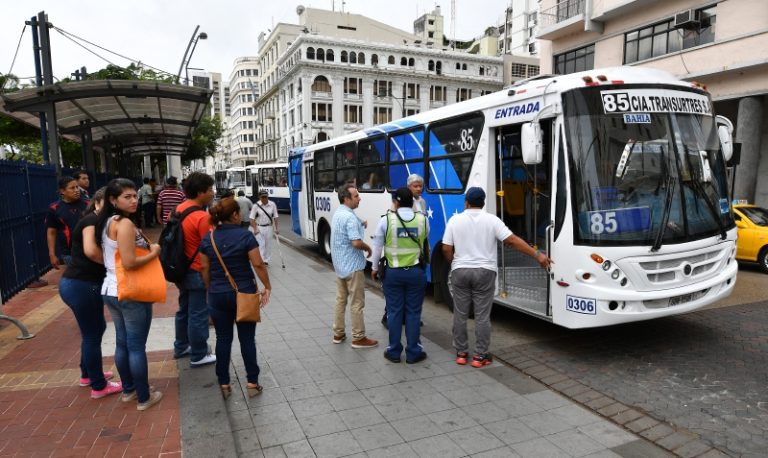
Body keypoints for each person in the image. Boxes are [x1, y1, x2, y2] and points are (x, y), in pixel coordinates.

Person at [442, 187, 552, 368]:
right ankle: (480, 356)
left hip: (460, 271)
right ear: (483, 203)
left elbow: (446, 248)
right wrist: (537, 254)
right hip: (485, 272)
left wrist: (454, 263)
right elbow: (512, 240)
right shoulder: (492, 220)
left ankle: (461, 353)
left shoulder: (455, 220)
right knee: (482, 316)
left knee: (460, 314)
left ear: (466, 203)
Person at [97, 178, 163, 411]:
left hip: (111, 290)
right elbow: (130, 262)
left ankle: (129, 390)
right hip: (129, 291)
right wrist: (154, 251)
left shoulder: (107, 222)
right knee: (135, 346)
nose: (134, 200)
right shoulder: (123, 224)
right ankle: (144, 397)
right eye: (127, 196)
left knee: (123, 343)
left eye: (135, 195)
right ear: (113, 200)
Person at [199, 197, 272, 400]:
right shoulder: (245, 236)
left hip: (217, 295)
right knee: (247, 338)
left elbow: (204, 267)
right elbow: (258, 264)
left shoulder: (208, 238)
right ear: (234, 215)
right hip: (245, 293)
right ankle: (252, 382)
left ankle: (224, 383)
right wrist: (267, 286)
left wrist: (209, 287)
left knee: (223, 339)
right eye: (238, 212)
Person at [58, 187, 122, 399]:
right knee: (93, 334)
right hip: (83, 285)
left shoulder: (95, 219)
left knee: (93, 331)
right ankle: (98, 385)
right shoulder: (92, 221)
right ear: (98, 202)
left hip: (76, 284)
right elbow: (91, 251)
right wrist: (115, 266)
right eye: (109, 203)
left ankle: (88, 374)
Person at [371, 188, 428, 364]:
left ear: (395, 202)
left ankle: (394, 351)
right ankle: (413, 352)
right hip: (416, 272)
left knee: (394, 312)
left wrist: (374, 268)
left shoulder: (385, 221)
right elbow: (424, 242)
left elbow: (377, 247)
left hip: (393, 274)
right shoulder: (423, 220)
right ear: (412, 202)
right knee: (413, 313)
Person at [172, 172, 217, 367]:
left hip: (180, 268)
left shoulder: (178, 209)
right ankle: (199, 353)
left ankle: (181, 345)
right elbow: (211, 247)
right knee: (198, 313)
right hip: (197, 270)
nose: (213, 193)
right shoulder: (201, 216)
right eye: (209, 190)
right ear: (200, 192)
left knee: (184, 309)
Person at [330, 184, 378, 348]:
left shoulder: (339, 213)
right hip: (352, 265)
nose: (360, 198)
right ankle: (358, 337)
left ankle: (338, 333)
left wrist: (362, 223)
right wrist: (368, 248)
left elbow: (354, 221)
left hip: (340, 265)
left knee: (340, 300)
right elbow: (356, 242)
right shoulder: (349, 217)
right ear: (346, 198)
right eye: (356, 196)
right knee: (357, 303)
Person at [46, 176, 88, 269]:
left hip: (90, 249)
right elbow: (51, 232)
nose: (76, 190)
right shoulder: (54, 208)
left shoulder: (88, 204)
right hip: (69, 254)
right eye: (72, 188)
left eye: (77, 187)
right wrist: (52, 254)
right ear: (62, 191)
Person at [249, 190, 278, 265]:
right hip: (259, 227)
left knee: (268, 244)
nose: (265, 198)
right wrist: (255, 229)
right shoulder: (256, 205)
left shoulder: (272, 204)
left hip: (269, 227)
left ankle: (266, 260)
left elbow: (276, 217)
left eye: (266, 197)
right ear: (260, 197)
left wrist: (276, 229)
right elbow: (252, 218)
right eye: (263, 197)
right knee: (261, 244)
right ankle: (262, 259)